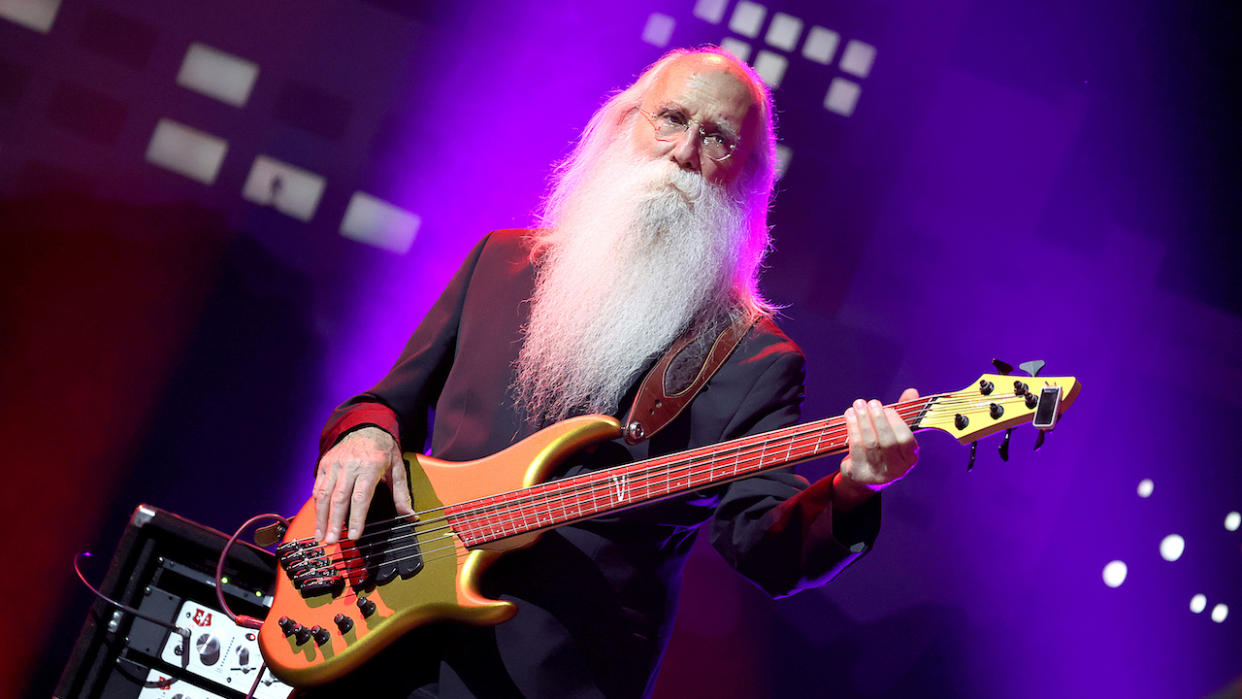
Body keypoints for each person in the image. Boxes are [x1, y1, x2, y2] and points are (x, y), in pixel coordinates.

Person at [304, 47, 919, 698]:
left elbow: (764, 547)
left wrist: (852, 493)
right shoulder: (502, 262)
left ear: (747, 175)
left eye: (716, 137)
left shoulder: (752, 357)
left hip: (549, 675)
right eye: (672, 119)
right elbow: (387, 402)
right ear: (627, 123)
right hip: (376, 629)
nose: (684, 152)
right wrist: (365, 432)